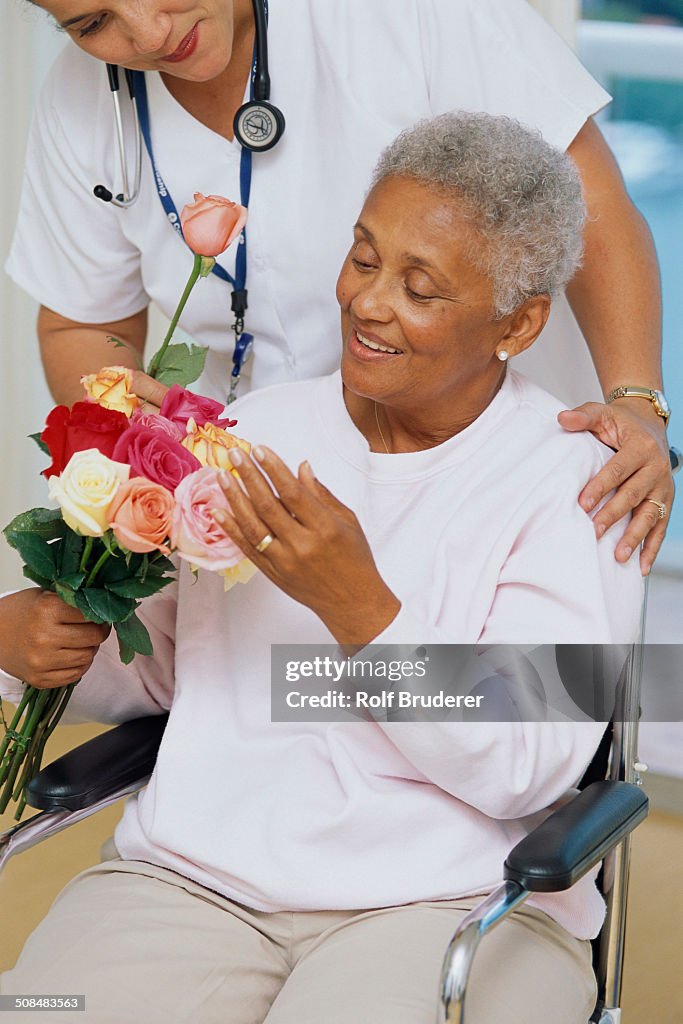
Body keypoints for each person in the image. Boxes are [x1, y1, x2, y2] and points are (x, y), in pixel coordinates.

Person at [0, 111, 644, 1024]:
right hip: (196, 880)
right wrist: (36, 633)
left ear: (518, 321)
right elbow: (162, 675)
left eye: (421, 289)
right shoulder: (256, 431)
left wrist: (363, 611)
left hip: (448, 901)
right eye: (364, 258)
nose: (369, 303)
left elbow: (526, 772)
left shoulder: (579, 482)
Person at [8, 0, 673, 574]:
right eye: (94, 22)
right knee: (290, 700)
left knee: (477, 703)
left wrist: (638, 398)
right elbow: (82, 322)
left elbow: (595, 213)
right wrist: (141, 464)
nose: (150, 32)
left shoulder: (405, 16)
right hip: (273, 501)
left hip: (491, 473)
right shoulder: (82, 98)